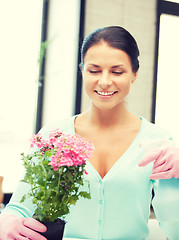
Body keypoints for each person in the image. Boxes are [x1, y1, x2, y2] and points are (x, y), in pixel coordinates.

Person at [0, 26, 179, 240]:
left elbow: (174, 230)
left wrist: (177, 178)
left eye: (117, 71)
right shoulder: (53, 135)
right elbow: (21, 206)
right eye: (94, 70)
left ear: (134, 73)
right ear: (82, 70)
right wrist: (7, 219)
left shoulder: (158, 140)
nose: (104, 81)